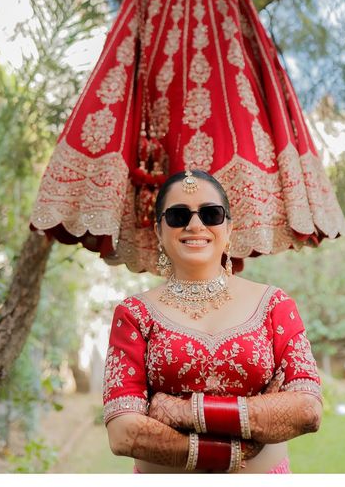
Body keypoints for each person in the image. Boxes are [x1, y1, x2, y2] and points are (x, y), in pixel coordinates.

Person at [102, 169, 322, 473]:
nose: (195, 224)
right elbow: (123, 434)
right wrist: (236, 448)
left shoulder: (273, 305)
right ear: (158, 231)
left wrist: (182, 411)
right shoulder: (133, 314)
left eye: (211, 214)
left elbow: (307, 410)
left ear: (229, 229)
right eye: (178, 216)